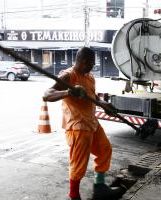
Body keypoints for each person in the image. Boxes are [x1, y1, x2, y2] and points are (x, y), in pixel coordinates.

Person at [43, 47, 123, 200]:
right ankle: (74, 196)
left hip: (92, 123)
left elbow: (94, 98)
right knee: (79, 163)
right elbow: (46, 95)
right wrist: (68, 92)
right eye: (92, 63)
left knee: (105, 150)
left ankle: (99, 187)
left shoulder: (89, 76)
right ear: (84, 62)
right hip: (78, 126)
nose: (93, 66)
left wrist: (105, 104)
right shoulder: (68, 76)